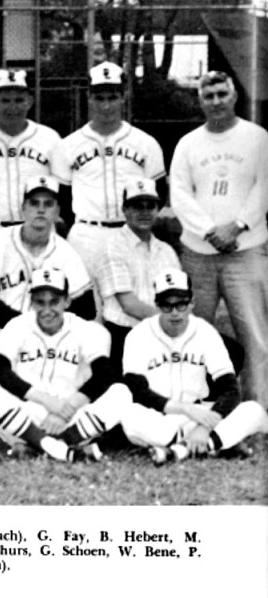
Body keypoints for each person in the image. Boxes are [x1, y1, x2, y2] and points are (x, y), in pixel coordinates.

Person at [169, 70, 268, 408]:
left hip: (246, 251)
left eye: (221, 94)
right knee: (193, 332)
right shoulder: (188, 143)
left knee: (254, 334)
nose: (216, 102)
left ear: (234, 96)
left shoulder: (257, 138)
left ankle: (257, 409)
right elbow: (179, 194)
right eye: (208, 96)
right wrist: (209, 230)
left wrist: (237, 225)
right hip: (199, 253)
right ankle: (198, 406)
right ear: (200, 101)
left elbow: (264, 187)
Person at [0, 268, 132, 461]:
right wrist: (45, 400)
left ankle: (45, 445)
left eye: (54, 302)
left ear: (67, 301)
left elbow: (104, 374)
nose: (47, 310)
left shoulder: (83, 328)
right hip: (29, 414)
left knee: (120, 392)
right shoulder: (18, 325)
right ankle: (57, 448)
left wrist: (66, 410)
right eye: (40, 302)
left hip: (72, 416)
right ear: (31, 301)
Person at [120, 269, 268, 464]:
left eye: (181, 304)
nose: (175, 313)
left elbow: (230, 389)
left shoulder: (205, 332)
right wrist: (185, 410)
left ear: (192, 303)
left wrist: (203, 427)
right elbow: (136, 390)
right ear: (157, 305)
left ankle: (178, 450)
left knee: (253, 410)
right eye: (167, 305)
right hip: (159, 416)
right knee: (130, 417)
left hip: (200, 415)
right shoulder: (139, 334)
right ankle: (214, 445)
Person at [50, 61, 166, 300]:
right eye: (99, 97)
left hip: (130, 232)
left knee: (135, 302)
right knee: (85, 306)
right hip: (87, 235)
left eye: (112, 97)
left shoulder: (145, 143)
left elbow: (159, 193)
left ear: (123, 97)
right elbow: (62, 195)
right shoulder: (68, 145)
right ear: (89, 98)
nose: (106, 105)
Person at [0, 175, 94, 334]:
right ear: (23, 209)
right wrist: (20, 326)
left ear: (57, 211)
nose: (41, 209)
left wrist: (49, 327)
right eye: (34, 203)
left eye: (48, 204)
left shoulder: (65, 252)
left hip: (47, 341)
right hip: (0, 334)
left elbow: (86, 307)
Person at [95, 177, 182, 372]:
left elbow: (179, 297)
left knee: (232, 350)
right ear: (125, 210)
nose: (144, 212)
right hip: (125, 333)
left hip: (164, 328)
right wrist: (172, 322)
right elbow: (129, 305)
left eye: (150, 206)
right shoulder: (113, 247)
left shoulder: (166, 251)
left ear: (157, 210)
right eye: (136, 206)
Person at [0, 69, 61, 251]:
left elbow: (62, 186)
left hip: (37, 230)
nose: (13, 107)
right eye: (5, 100)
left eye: (19, 100)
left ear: (30, 101)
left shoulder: (49, 138)